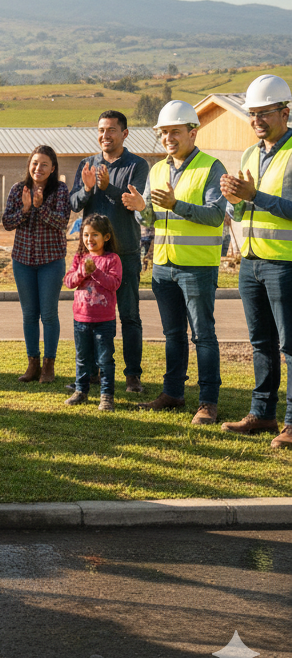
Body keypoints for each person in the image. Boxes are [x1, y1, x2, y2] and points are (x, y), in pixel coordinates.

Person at [122, 100, 226, 424]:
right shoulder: (157, 169)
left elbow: (216, 214)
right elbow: (153, 219)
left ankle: (208, 402)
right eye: (164, 132)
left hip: (197, 266)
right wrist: (142, 208)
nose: (168, 137)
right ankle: (173, 394)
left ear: (193, 133)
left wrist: (176, 204)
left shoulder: (212, 167)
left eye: (175, 131)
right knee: (173, 335)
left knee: (203, 336)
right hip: (163, 266)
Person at [219, 74, 292, 448]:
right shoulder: (250, 153)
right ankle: (263, 414)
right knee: (261, 342)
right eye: (253, 114)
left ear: (285, 112)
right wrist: (233, 197)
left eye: (265, 113)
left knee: (290, 345)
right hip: (251, 261)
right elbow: (244, 206)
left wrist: (255, 196)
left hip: (284, 263)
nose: (257, 120)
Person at [68, 110, 150, 393]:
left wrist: (108, 188)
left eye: (111, 130)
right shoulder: (87, 164)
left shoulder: (138, 165)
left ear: (124, 134)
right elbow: (75, 203)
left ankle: (132, 376)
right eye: (101, 130)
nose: (105, 136)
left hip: (124, 253)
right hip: (90, 258)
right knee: (89, 316)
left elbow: (134, 201)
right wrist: (89, 189)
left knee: (129, 316)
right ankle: (91, 373)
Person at [4, 145, 70, 383]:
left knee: (49, 314)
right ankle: (32, 365)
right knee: (29, 314)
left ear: (53, 168)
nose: (38, 168)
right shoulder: (17, 189)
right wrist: (25, 209)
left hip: (50, 261)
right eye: (34, 163)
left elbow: (62, 222)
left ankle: (48, 367)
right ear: (28, 165)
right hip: (22, 261)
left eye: (44, 164)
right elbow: (7, 223)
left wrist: (41, 207)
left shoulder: (60, 190)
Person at [63, 214, 123, 411]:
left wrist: (95, 272)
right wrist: (82, 271)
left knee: (105, 359)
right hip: (81, 319)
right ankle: (81, 390)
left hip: (104, 320)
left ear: (106, 237)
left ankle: (106, 396)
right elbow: (69, 281)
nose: (89, 239)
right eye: (86, 235)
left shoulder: (112, 259)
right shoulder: (79, 258)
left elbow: (114, 284)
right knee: (82, 358)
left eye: (95, 235)